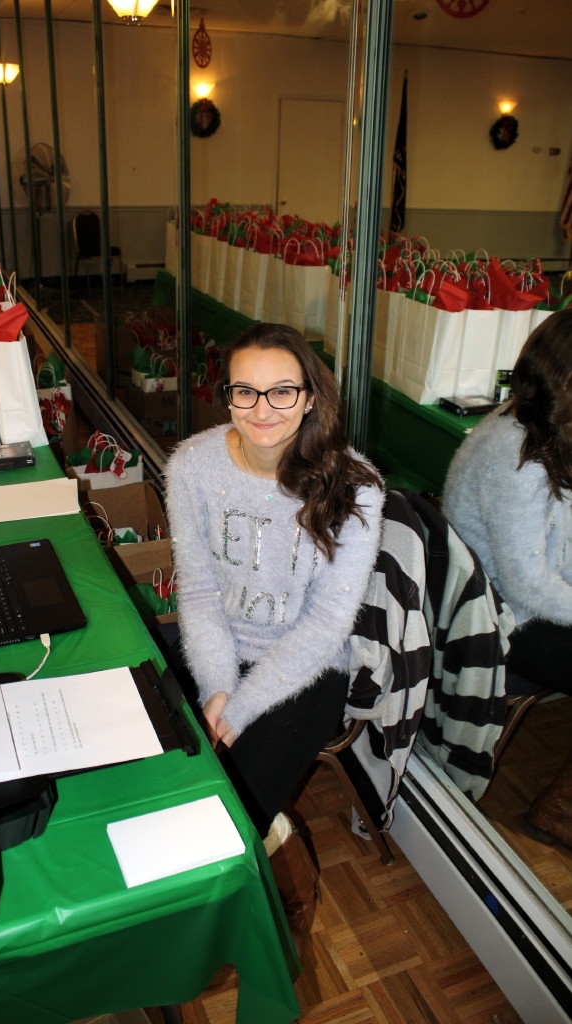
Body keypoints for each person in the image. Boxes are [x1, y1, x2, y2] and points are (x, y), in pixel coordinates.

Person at [164, 323, 383, 954]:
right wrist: (217, 687)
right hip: (216, 651)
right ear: (226, 395)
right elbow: (200, 592)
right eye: (245, 392)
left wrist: (242, 707)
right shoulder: (192, 466)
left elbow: (325, 626)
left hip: (305, 669)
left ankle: (271, 911)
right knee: (156, 770)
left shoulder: (356, 486)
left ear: (312, 397)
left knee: (227, 816)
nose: (262, 411)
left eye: (282, 392)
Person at [443, 307, 572, 849]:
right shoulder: (514, 451)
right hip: (501, 616)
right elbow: (526, 582)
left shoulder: (548, 429)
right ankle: (558, 811)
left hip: (535, 600)